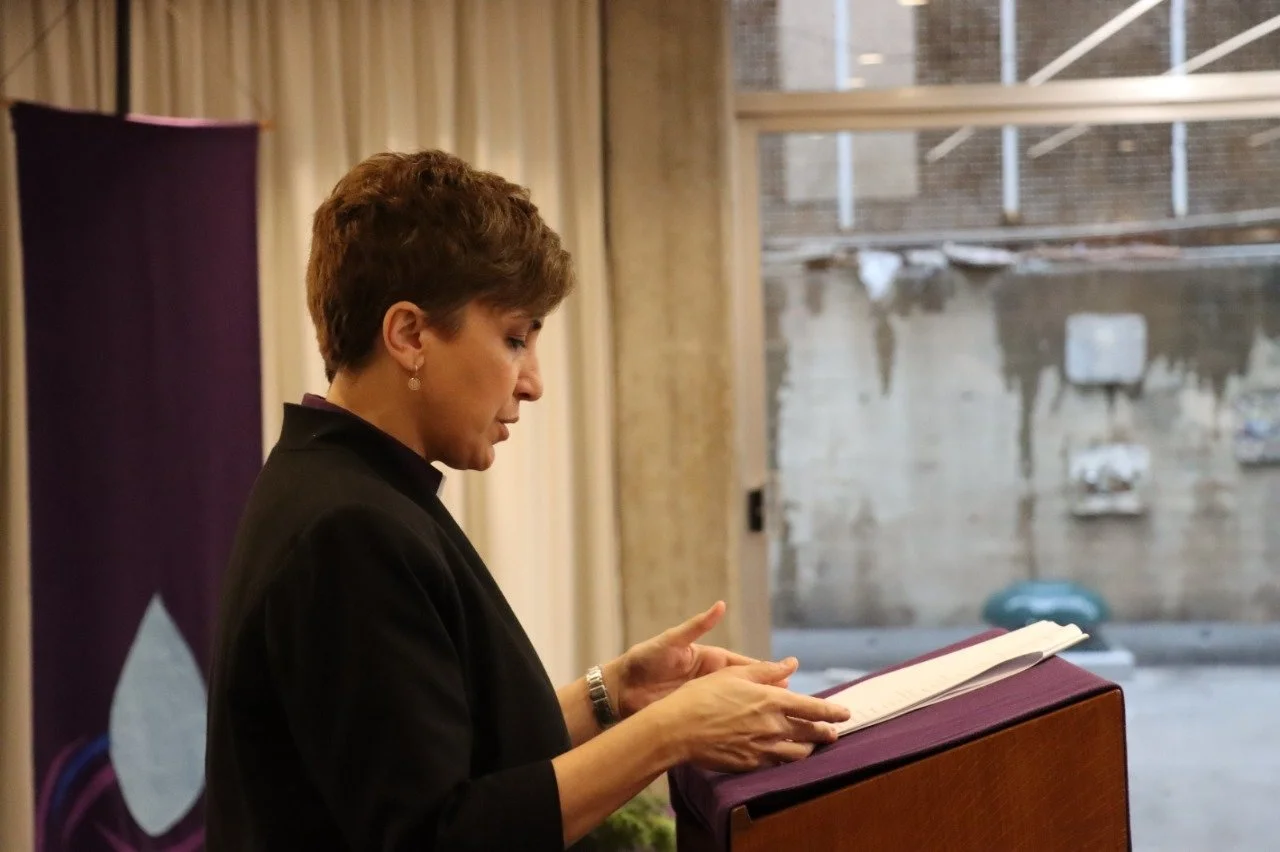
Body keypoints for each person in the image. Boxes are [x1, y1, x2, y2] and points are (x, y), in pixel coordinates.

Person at [203, 150, 851, 851]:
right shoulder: (347, 528)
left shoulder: (345, 484)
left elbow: (441, 755)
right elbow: (437, 837)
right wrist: (672, 733)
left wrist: (615, 694)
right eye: (515, 339)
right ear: (410, 335)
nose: (533, 382)